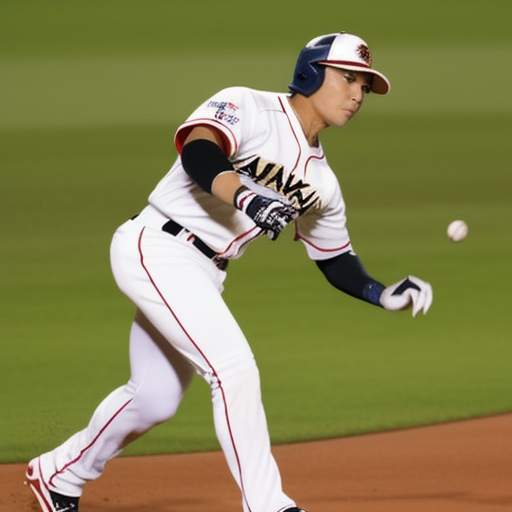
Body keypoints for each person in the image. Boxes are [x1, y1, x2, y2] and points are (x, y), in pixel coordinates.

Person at [25, 32, 433, 512]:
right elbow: (199, 150)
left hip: (204, 273)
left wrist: (380, 293)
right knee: (233, 369)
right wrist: (246, 196)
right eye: (348, 78)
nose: (358, 94)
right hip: (157, 245)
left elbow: (333, 257)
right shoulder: (250, 106)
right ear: (311, 73)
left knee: (156, 397)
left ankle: (59, 474)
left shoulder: (323, 183)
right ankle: (268, 505)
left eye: (365, 86)